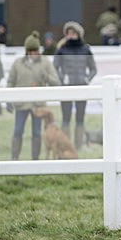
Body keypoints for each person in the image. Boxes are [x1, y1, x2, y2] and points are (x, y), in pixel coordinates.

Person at [7, 31, 60, 160]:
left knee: (36, 132)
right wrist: (8, 100)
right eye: (30, 51)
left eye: (35, 51)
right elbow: (10, 82)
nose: (33, 54)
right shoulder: (17, 64)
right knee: (18, 130)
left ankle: (35, 159)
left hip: (38, 106)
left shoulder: (45, 63)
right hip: (21, 103)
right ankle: (14, 158)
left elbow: (56, 82)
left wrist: (46, 77)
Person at [53, 21, 97, 150]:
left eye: (73, 33)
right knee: (66, 117)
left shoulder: (86, 50)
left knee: (80, 118)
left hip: (82, 88)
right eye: (68, 33)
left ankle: (79, 145)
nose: (71, 36)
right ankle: (66, 145)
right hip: (66, 88)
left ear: (78, 34)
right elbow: (54, 67)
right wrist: (62, 77)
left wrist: (87, 79)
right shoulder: (62, 49)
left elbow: (93, 69)